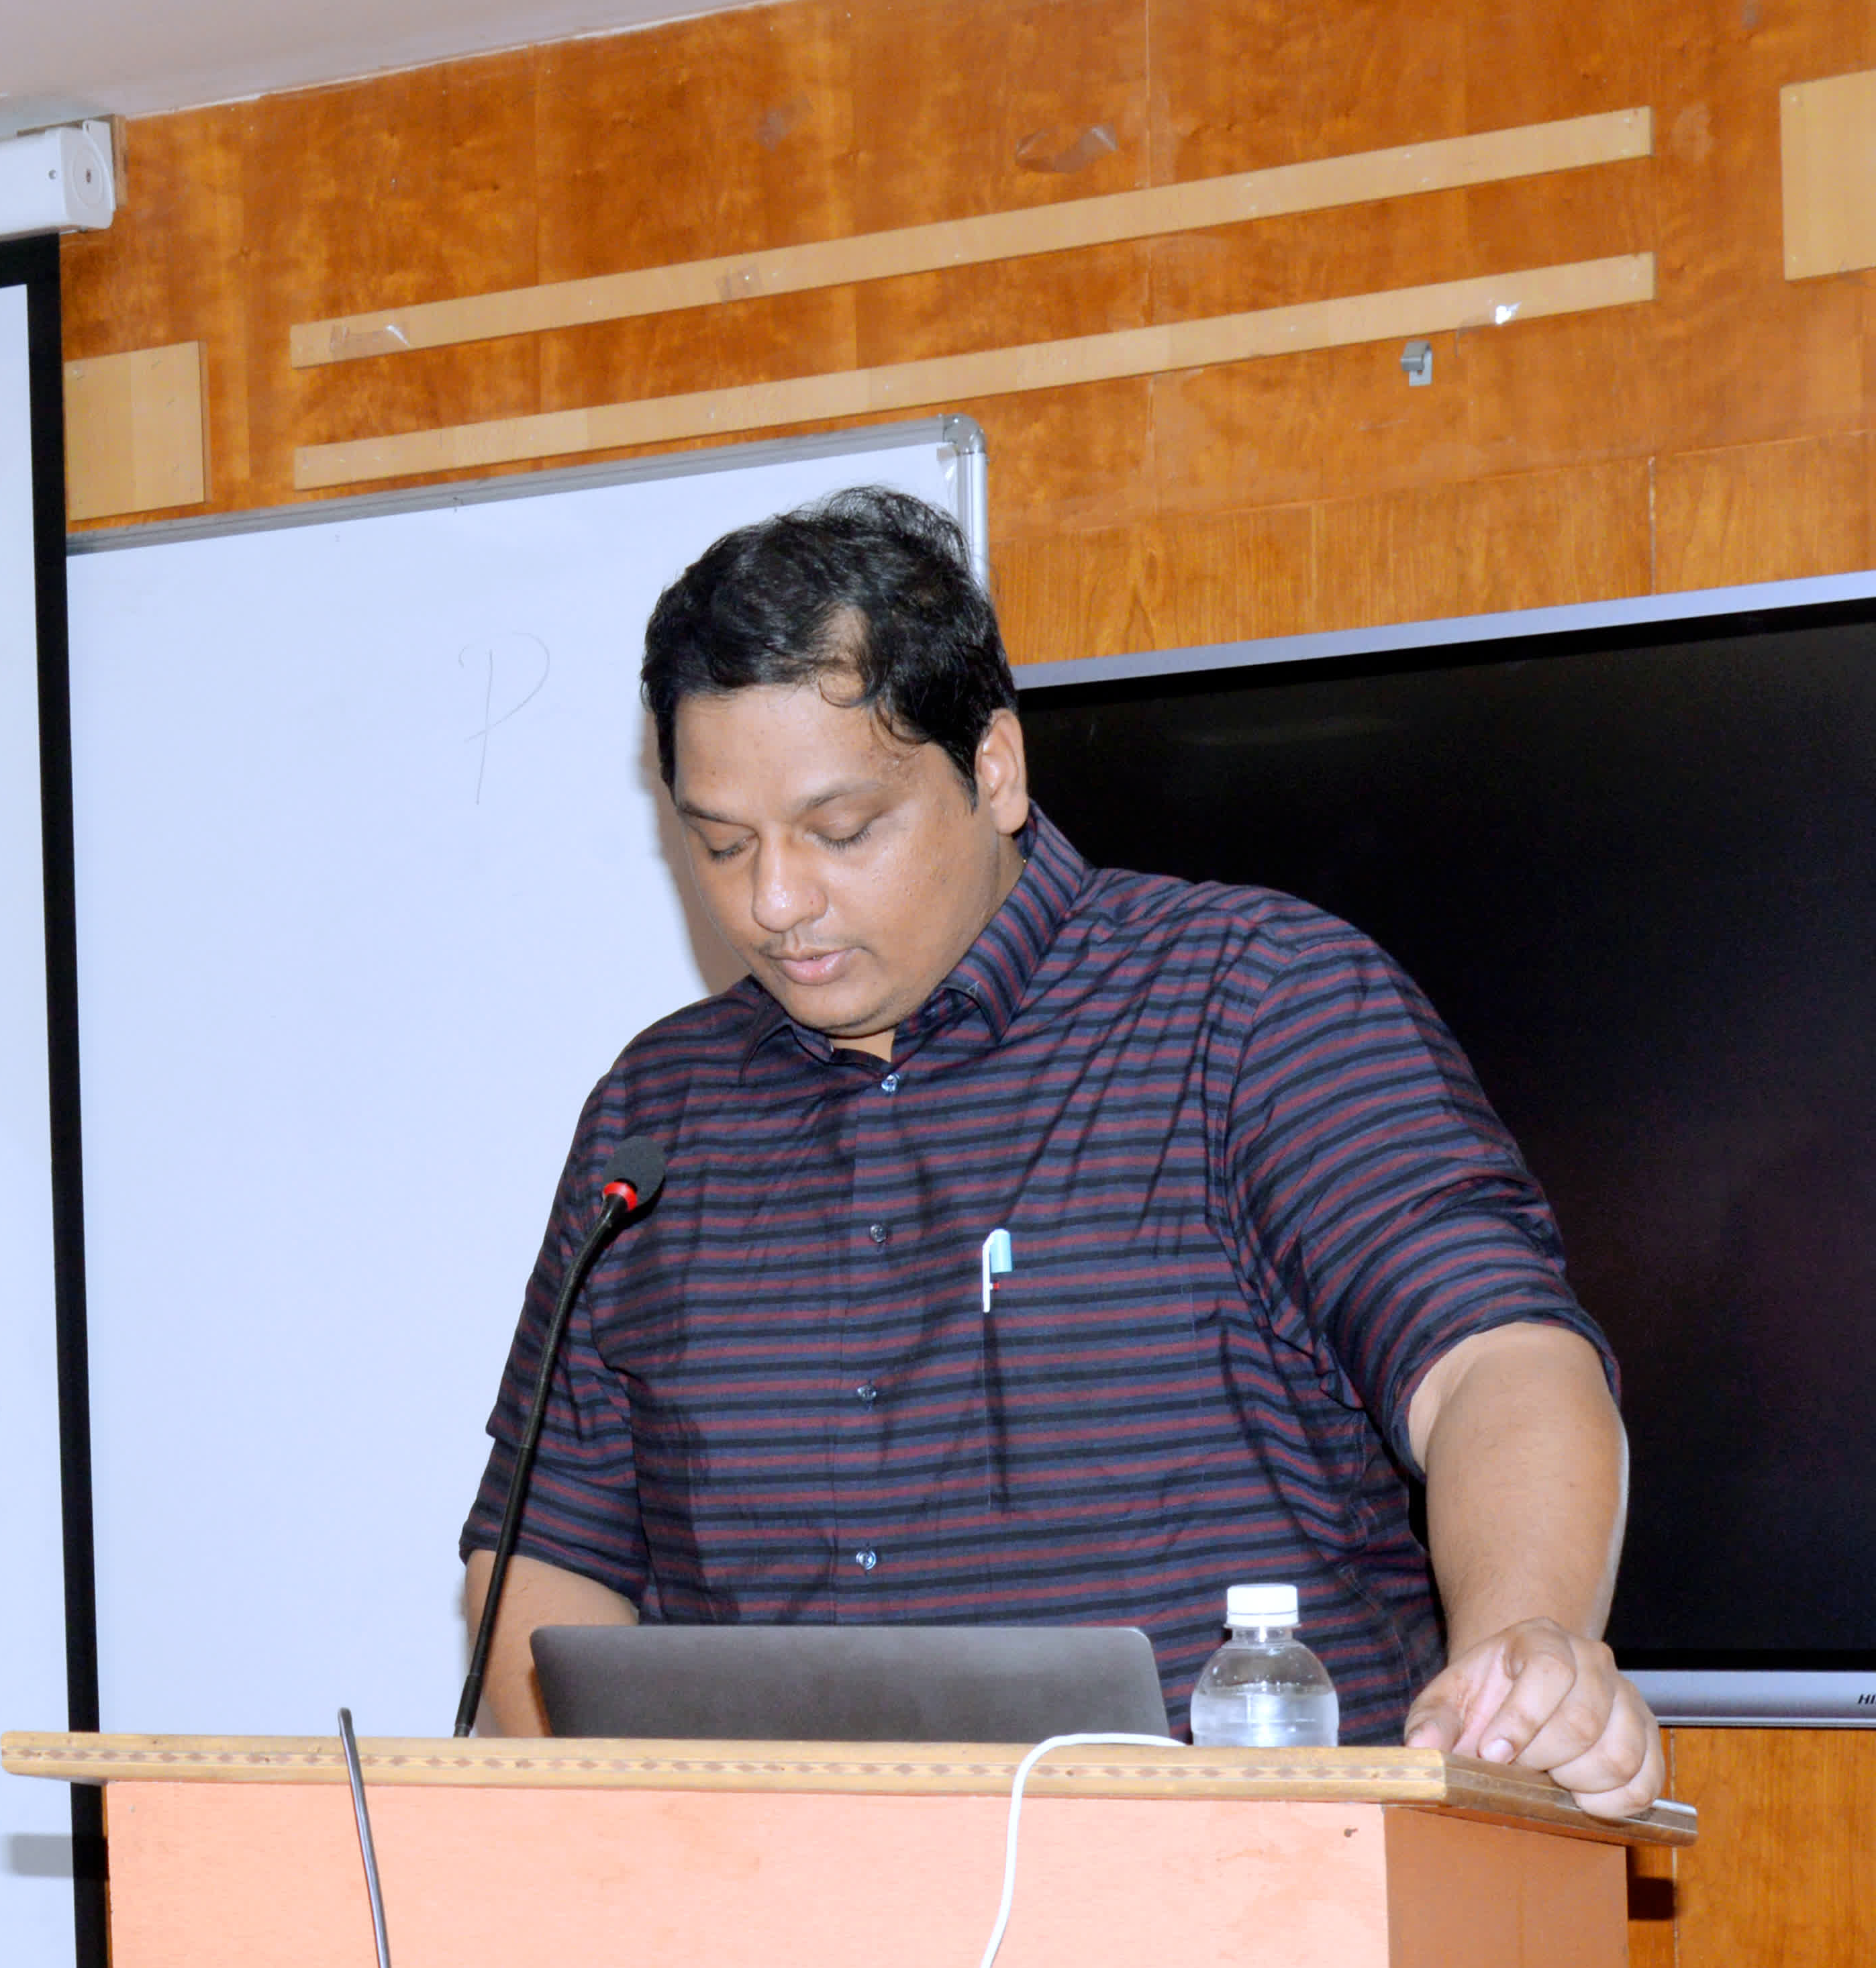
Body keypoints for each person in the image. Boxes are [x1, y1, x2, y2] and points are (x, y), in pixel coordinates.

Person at [456, 486, 1663, 1816]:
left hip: (1243, 1897)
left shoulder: (1254, 1007)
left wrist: (1523, 1645)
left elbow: (1495, 1363)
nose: (773, 901)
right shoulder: (655, 1113)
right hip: (768, 1907)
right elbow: (544, 1563)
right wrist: (607, 1829)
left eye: (839, 830)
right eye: (721, 844)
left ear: (993, 770)